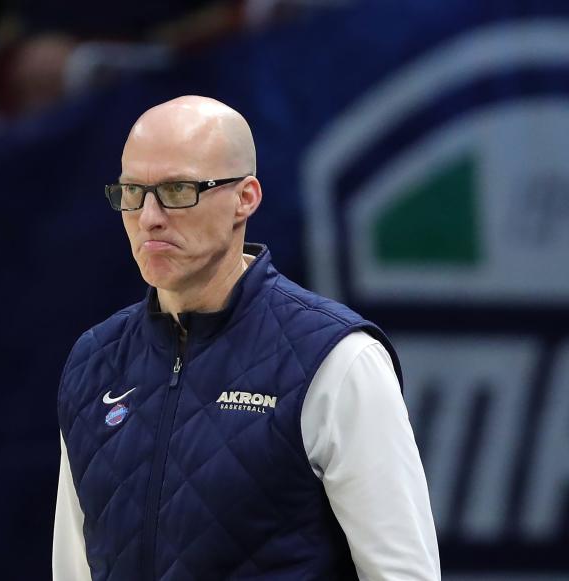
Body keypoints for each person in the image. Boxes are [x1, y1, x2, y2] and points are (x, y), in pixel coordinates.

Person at [53, 96, 440, 580]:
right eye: (132, 191)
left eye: (177, 189)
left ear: (246, 198)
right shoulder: (95, 362)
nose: (149, 216)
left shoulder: (337, 360)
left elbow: (403, 573)